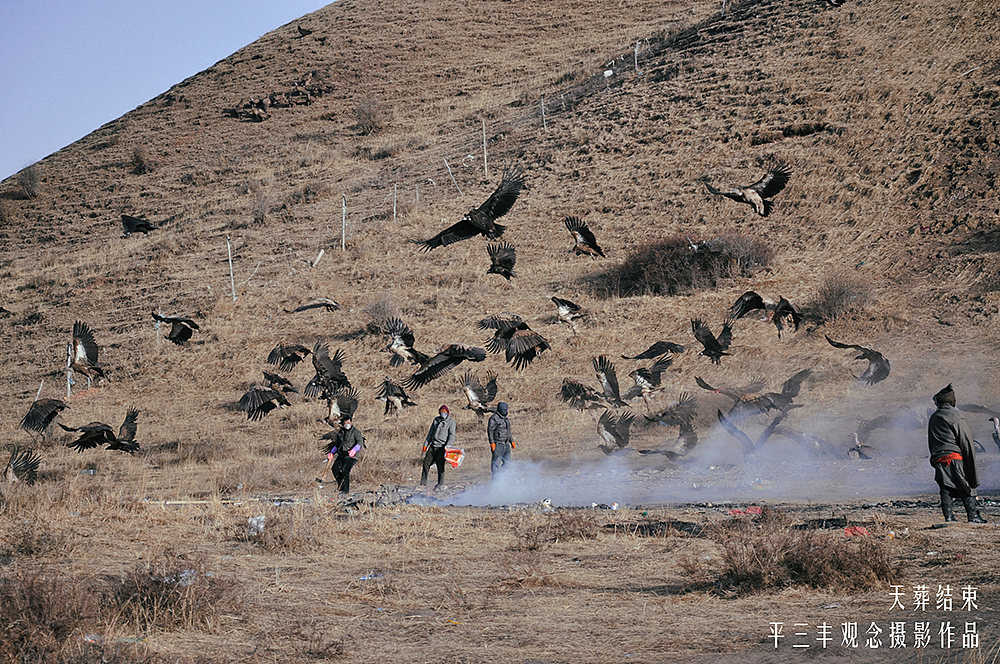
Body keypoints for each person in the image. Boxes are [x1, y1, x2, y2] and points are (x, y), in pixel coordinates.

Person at [928, 384, 986, 523]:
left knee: (946, 487)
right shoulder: (956, 415)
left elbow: (931, 442)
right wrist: (970, 465)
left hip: (939, 459)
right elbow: (966, 441)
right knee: (966, 485)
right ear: (952, 401)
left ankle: (948, 517)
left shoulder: (934, 417)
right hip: (954, 458)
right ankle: (973, 516)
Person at [320, 415, 364, 494]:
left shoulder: (356, 432)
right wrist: (332, 453)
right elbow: (337, 444)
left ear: (351, 422)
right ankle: (340, 486)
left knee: (345, 471)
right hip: (341, 455)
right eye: (345, 423)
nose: (347, 424)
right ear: (343, 423)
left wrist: (354, 450)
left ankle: (345, 490)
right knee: (335, 469)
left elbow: (360, 443)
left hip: (351, 456)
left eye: (348, 422)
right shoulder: (340, 432)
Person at [421, 404, 455, 490]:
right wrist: (425, 445)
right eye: (441, 412)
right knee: (426, 463)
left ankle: (440, 484)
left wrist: (448, 446)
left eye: (444, 412)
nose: (443, 413)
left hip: (442, 447)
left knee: (440, 466)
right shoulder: (436, 420)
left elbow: (452, 436)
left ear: (448, 413)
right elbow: (430, 433)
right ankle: (423, 484)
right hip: (432, 446)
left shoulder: (451, 422)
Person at [487, 401, 514, 480]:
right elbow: (490, 431)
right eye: (504, 410)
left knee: (507, 463)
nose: (506, 411)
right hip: (498, 444)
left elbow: (508, 431)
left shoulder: (506, 418)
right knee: (496, 464)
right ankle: (495, 482)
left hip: (506, 444)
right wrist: (492, 442)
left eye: (506, 410)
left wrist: (511, 440)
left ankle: (502, 479)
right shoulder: (494, 418)